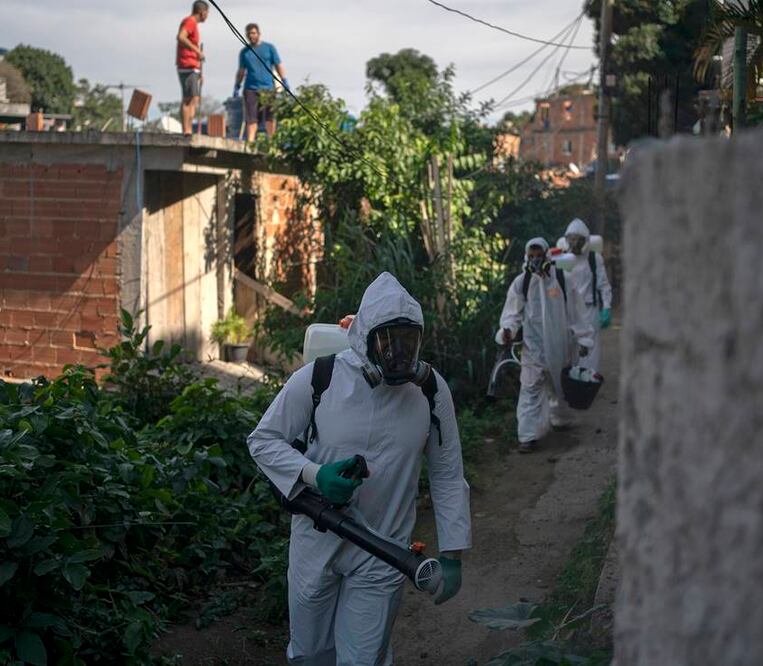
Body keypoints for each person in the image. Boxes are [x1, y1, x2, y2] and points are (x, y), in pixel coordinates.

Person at [248, 272, 471, 665]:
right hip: (317, 539)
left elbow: (447, 473)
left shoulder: (430, 392)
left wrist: (452, 551)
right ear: (364, 336)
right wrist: (316, 476)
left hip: (385, 550)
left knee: (364, 659)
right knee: (310, 654)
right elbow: (263, 441)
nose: (398, 354)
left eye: (408, 341)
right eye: (388, 341)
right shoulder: (320, 378)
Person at [498, 238, 593, 453]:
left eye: (538, 255)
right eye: (531, 256)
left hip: (561, 346)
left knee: (559, 388)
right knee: (530, 388)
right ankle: (528, 437)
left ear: (547, 255)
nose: (534, 260)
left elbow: (576, 312)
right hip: (533, 348)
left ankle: (560, 419)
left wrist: (583, 338)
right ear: (526, 257)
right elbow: (512, 314)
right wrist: (507, 331)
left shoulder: (562, 279)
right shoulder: (521, 283)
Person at [558, 218, 613, 373]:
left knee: (591, 349)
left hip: (589, 310)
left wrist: (606, 307)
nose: (574, 243)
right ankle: (571, 382)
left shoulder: (594, 259)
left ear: (586, 241)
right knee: (570, 348)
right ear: (566, 240)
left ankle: (589, 382)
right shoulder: (562, 258)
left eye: (578, 240)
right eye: (571, 239)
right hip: (569, 310)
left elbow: (604, 285)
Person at [234, 23, 286, 142]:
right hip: (250, 88)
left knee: (269, 117)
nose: (251, 36)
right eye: (248, 34)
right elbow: (241, 70)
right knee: (251, 118)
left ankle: (271, 141)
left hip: (268, 88)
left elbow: (278, 65)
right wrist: (237, 84)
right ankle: (251, 141)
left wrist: (284, 80)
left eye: (253, 33)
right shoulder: (244, 52)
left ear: (258, 33)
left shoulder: (269, 48)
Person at [176, 0, 209, 135]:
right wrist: (197, 51)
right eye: (207, 13)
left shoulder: (194, 25)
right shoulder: (190, 21)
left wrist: (200, 71)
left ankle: (189, 127)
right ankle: (186, 129)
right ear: (202, 12)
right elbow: (181, 37)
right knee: (188, 98)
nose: (207, 16)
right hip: (187, 65)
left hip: (193, 66)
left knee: (195, 98)